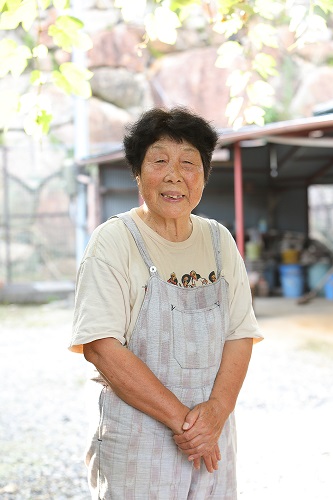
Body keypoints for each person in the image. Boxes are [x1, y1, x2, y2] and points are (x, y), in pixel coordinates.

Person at [70, 107, 263, 499]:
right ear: (138, 173)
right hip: (140, 445)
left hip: (212, 442)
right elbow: (101, 346)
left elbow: (240, 334)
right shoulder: (114, 242)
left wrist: (217, 412)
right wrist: (188, 426)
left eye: (189, 163)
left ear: (204, 176)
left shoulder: (218, 240)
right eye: (159, 160)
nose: (175, 175)